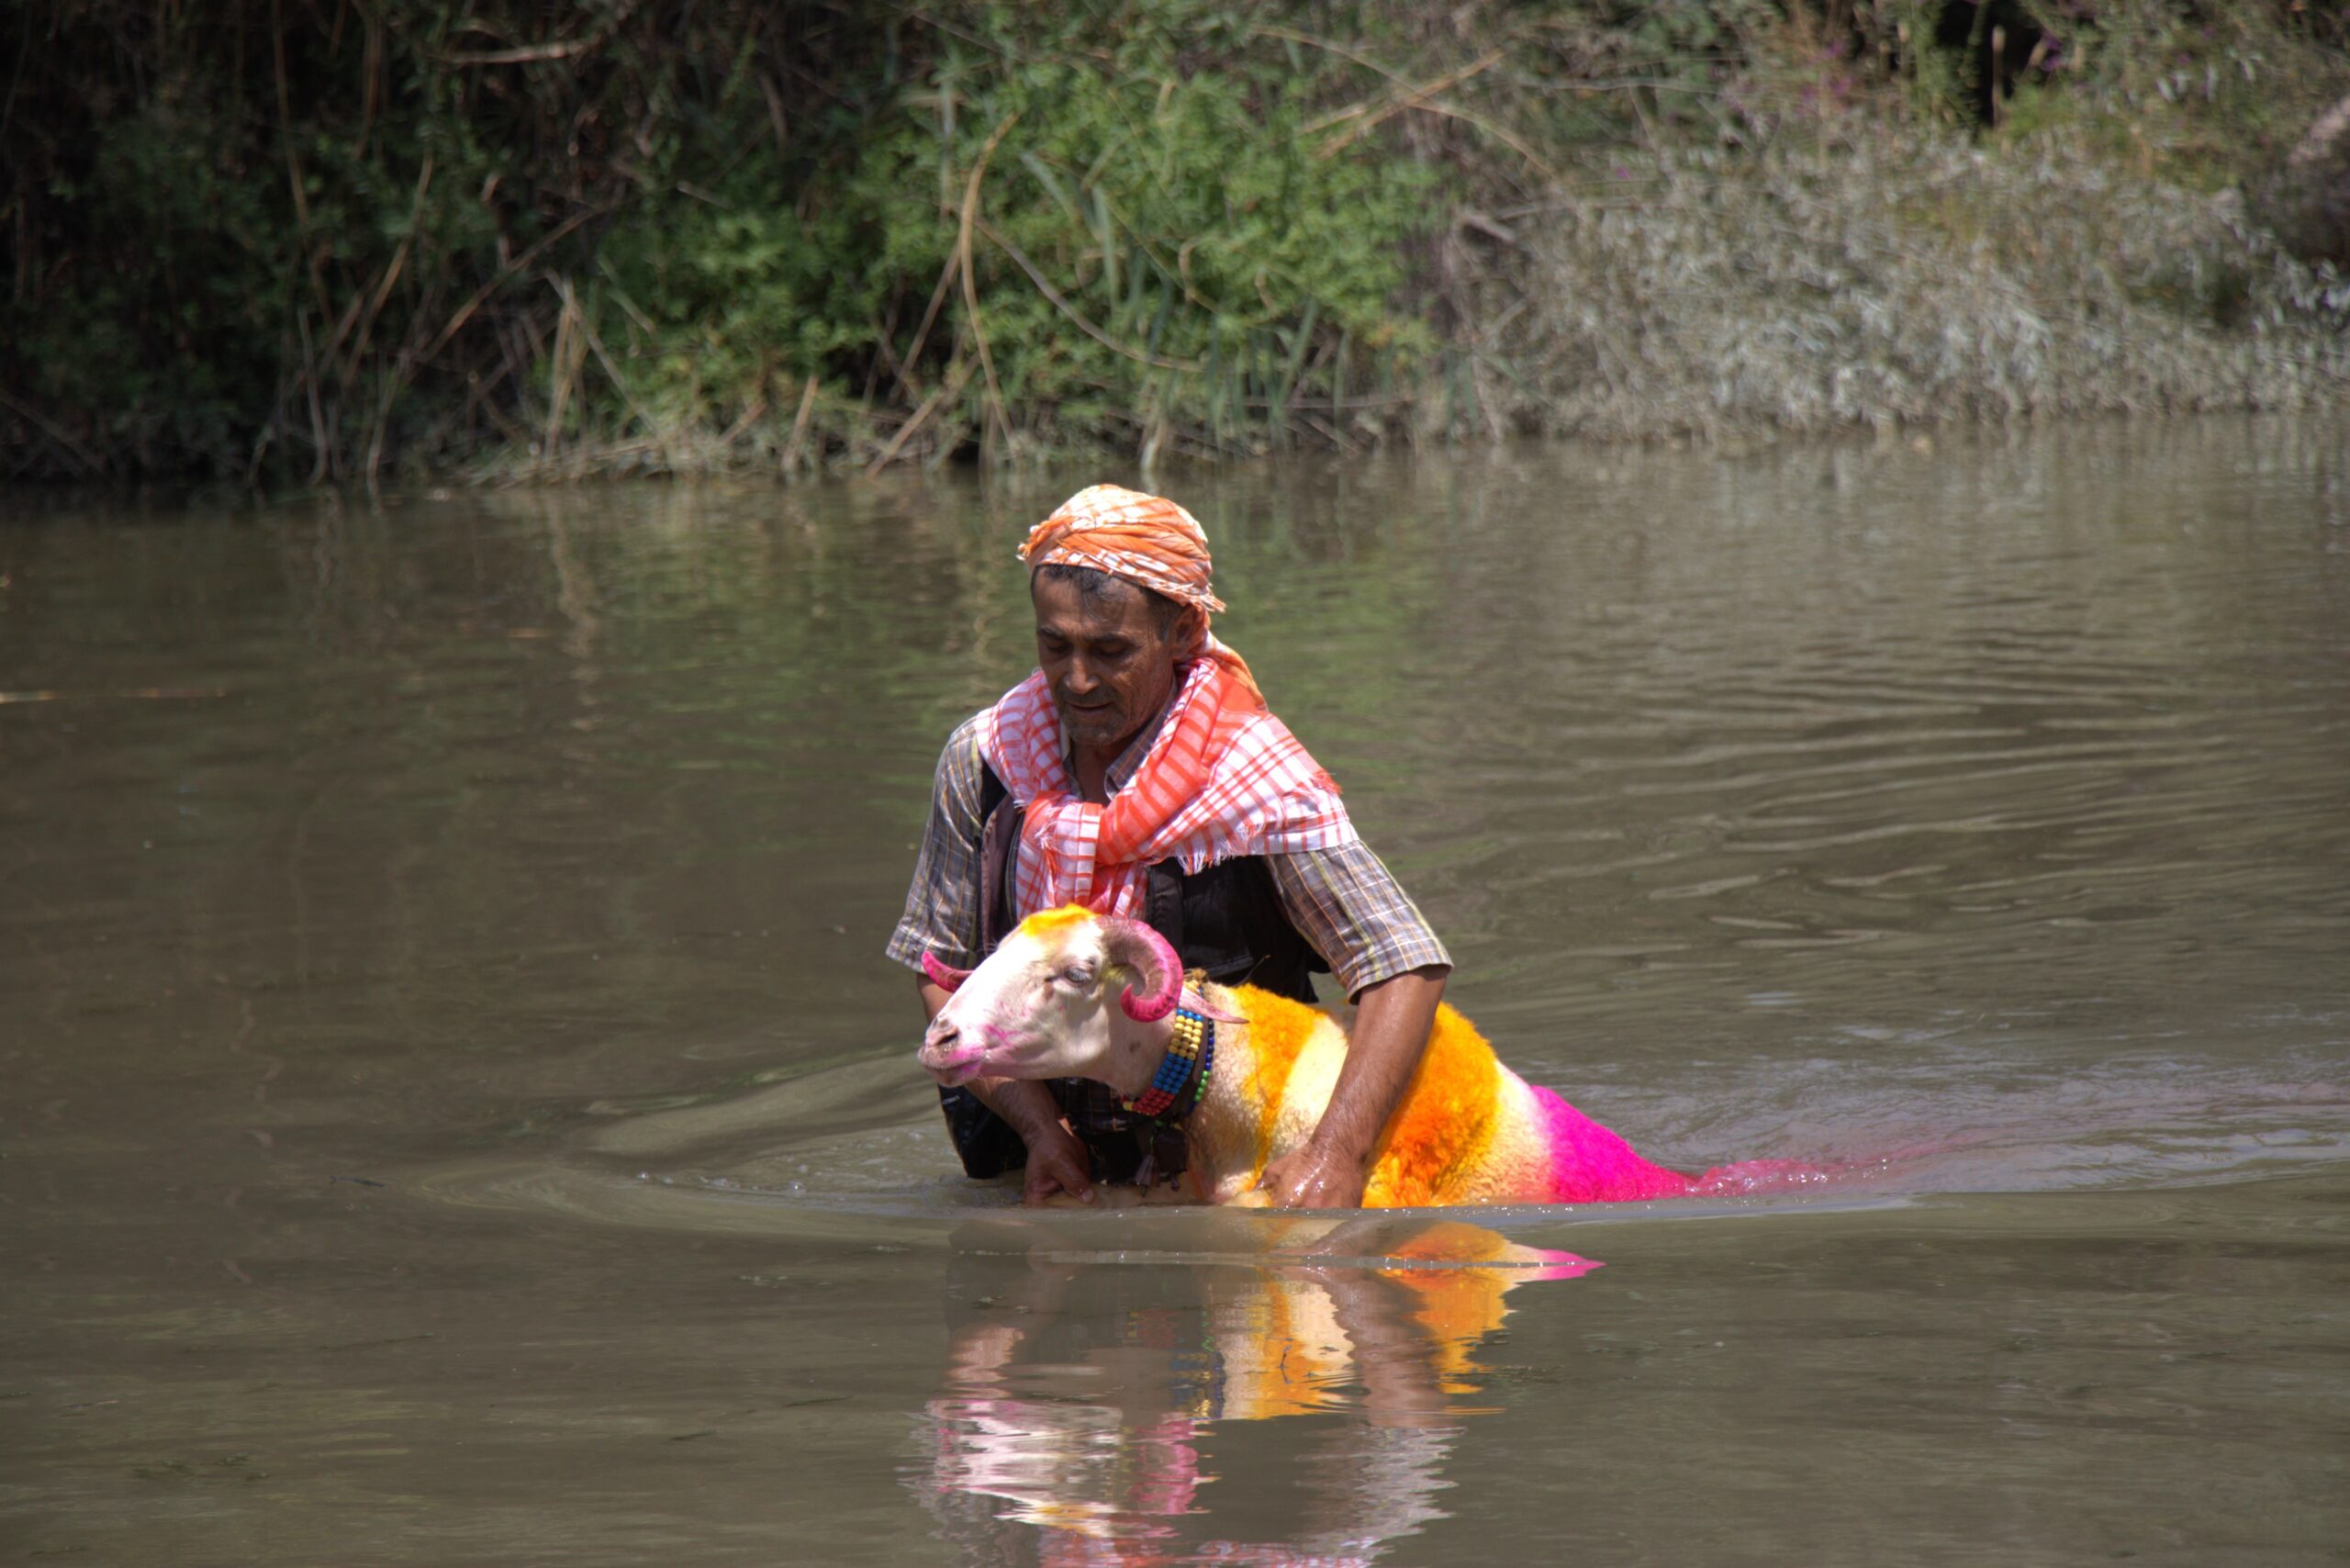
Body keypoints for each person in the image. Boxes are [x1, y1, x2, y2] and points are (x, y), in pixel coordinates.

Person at [887, 484, 1450, 1208]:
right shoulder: (986, 760)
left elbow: (1405, 966)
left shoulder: (1256, 778)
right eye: (1054, 645)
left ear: (1183, 632)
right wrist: (1041, 1130)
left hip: (1235, 1171)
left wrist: (1336, 1154)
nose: (1077, 679)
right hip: (1042, 1161)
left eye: (1111, 650)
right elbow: (943, 966)